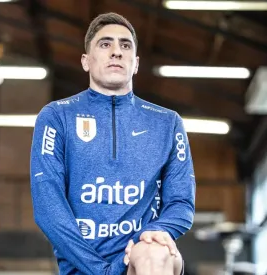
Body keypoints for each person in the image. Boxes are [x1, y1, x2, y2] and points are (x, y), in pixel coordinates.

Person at [30, 12, 196, 275]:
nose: (116, 52)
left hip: (140, 257)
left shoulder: (168, 123)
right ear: (86, 61)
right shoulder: (56, 116)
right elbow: (48, 209)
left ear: (136, 63)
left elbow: (181, 203)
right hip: (83, 266)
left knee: (154, 251)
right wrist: (102, 270)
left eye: (125, 45)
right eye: (105, 44)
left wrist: (155, 231)